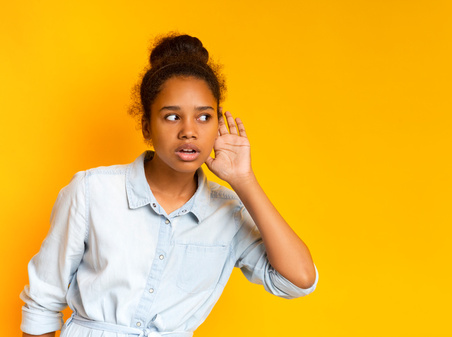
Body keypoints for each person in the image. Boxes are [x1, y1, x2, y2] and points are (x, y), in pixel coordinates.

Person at [19, 33, 319, 337]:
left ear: (217, 125)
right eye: (172, 116)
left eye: (204, 117)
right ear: (147, 125)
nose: (189, 131)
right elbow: (42, 305)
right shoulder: (91, 191)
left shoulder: (227, 211)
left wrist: (244, 181)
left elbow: (299, 280)